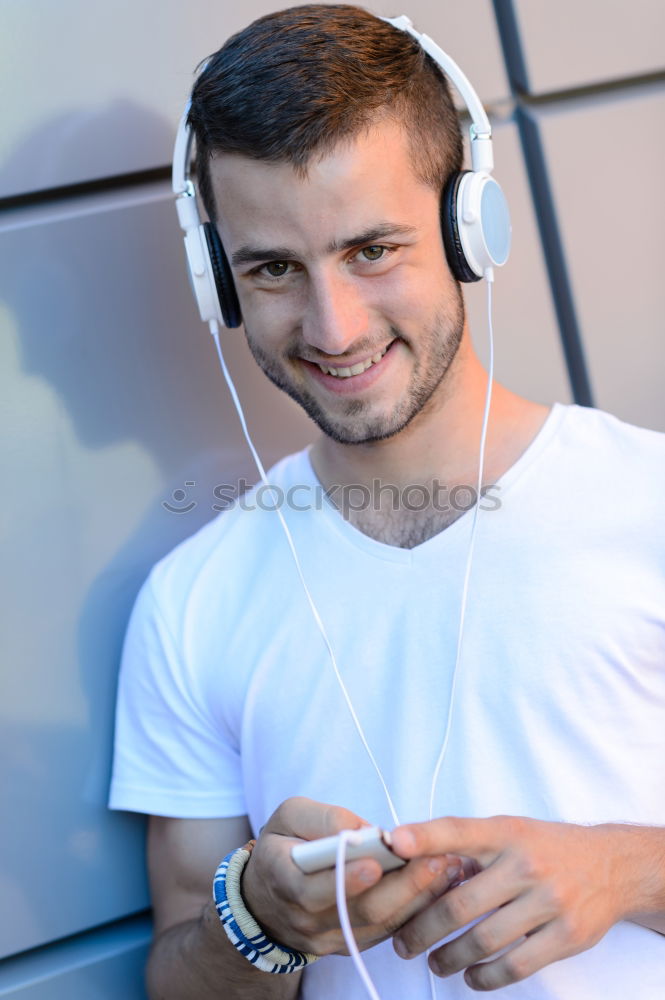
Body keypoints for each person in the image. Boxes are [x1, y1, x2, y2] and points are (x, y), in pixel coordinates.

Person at [109, 5, 665, 998]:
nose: (331, 324)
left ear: (468, 226)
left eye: (371, 250)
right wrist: (260, 920)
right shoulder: (188, 603)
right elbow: (183, 973)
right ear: (219, 284)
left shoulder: (647, 501)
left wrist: (626, 868)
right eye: (274, 269)